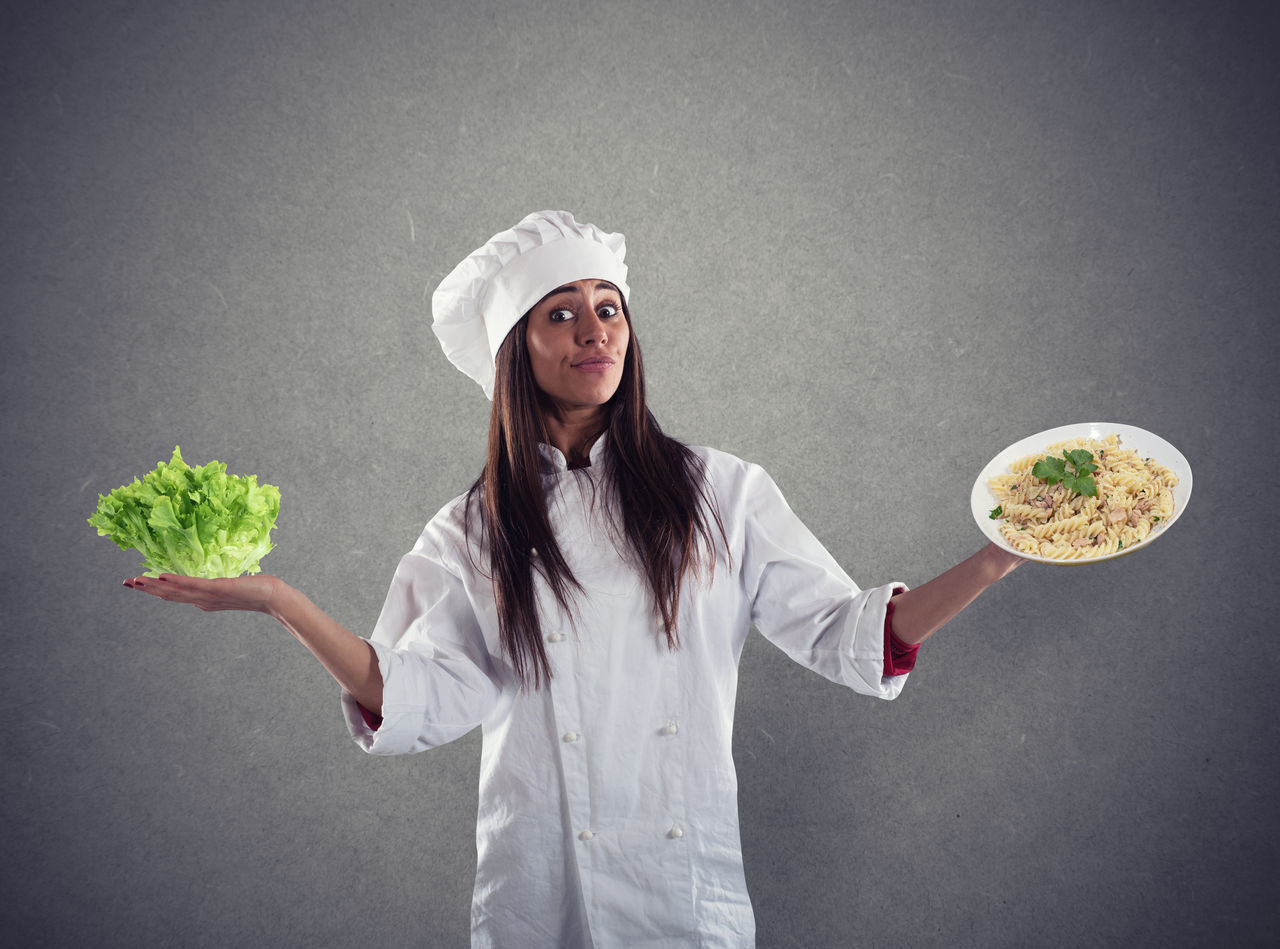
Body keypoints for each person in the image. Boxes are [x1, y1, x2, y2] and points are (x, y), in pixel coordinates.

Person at [126, 210, 1024, 948]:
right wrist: (282, 602)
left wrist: (996, 554)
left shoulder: (722, 491)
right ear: (515, 349)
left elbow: (846, 632)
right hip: (539, 896)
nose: (595, 329)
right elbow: (419, 696)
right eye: (561, 312)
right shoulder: (469, 531)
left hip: (685, 897)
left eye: (609, 307)